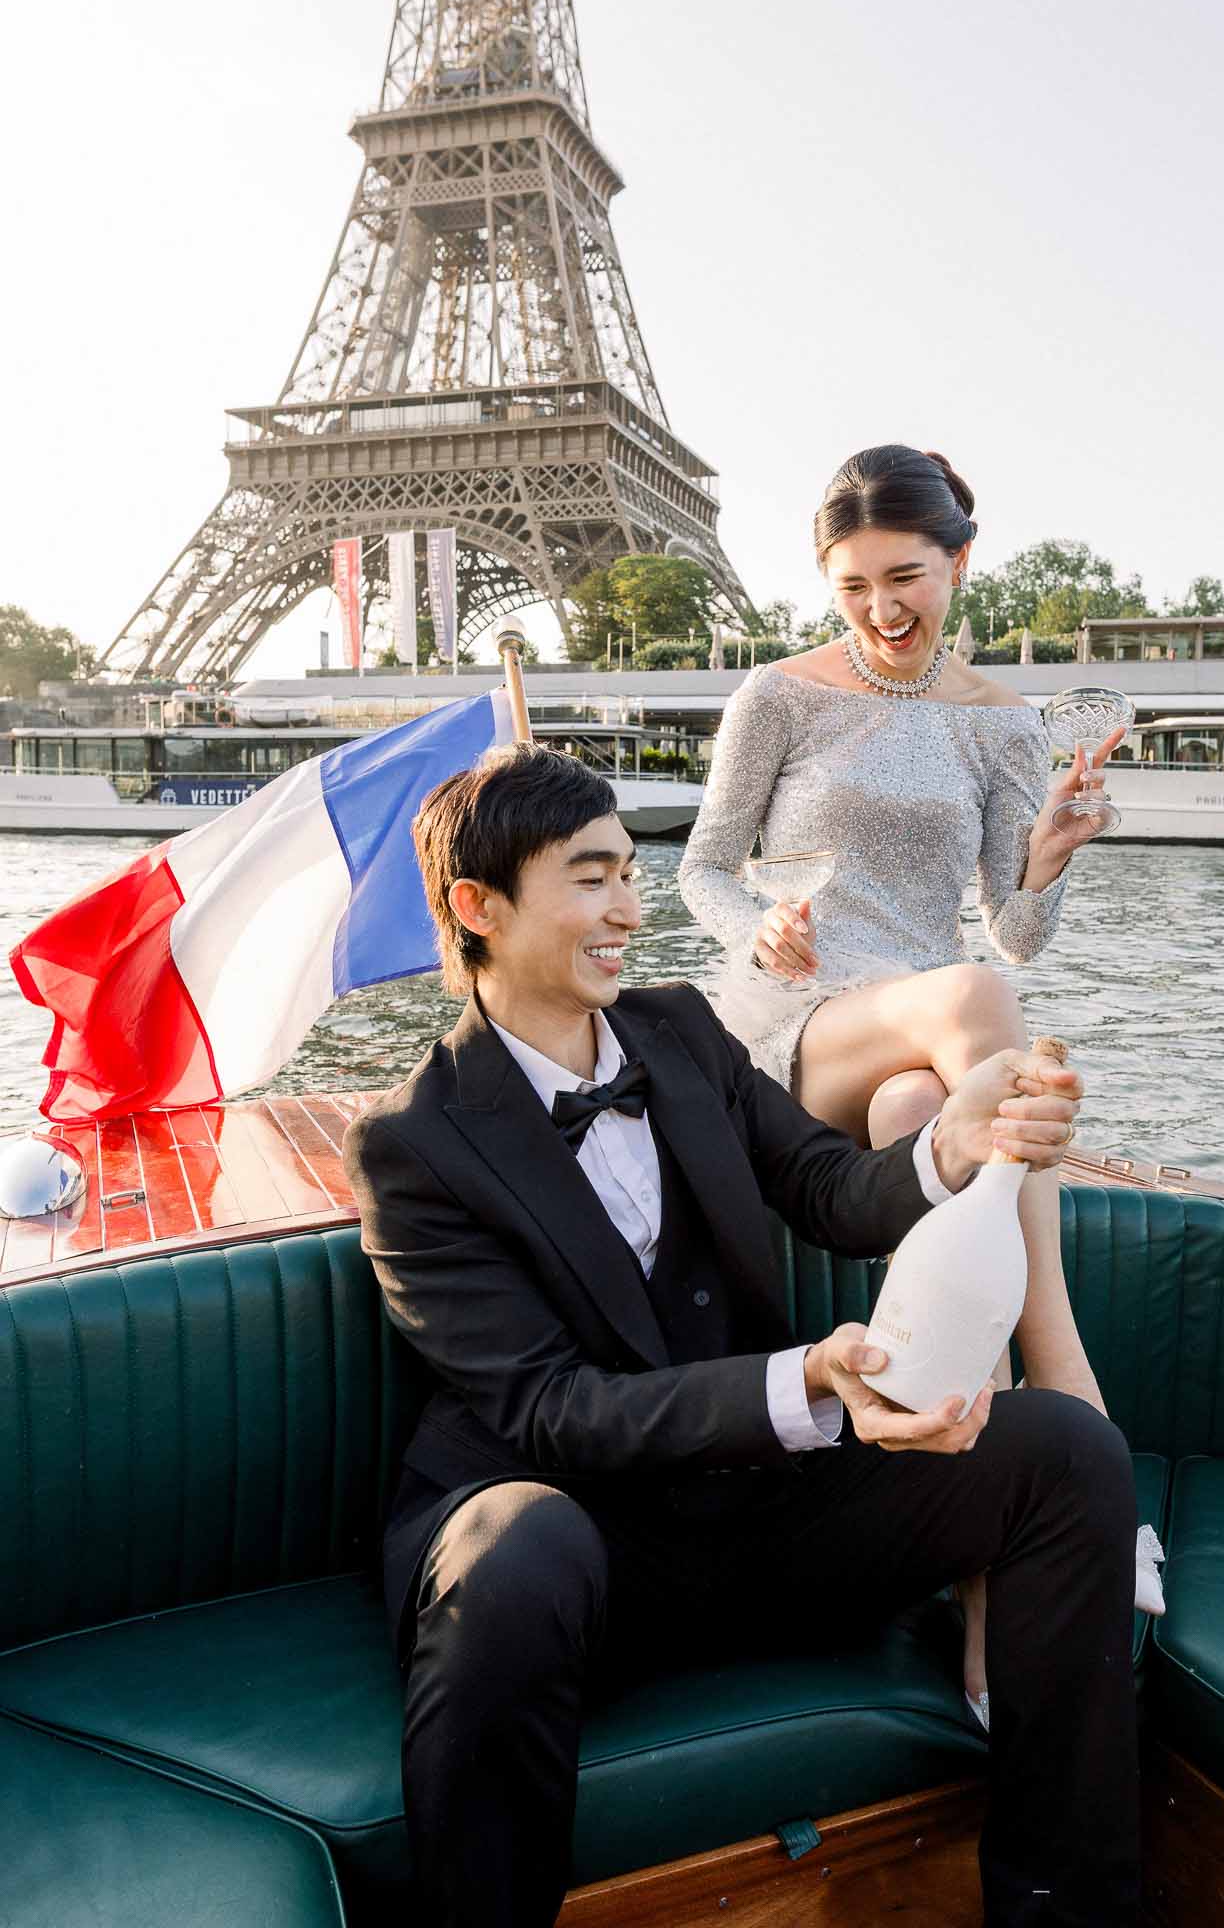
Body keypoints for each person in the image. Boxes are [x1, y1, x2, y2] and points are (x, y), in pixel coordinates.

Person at [343, 742, 1139, 1928]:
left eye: (629, 871)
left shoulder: (683, 1033)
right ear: (479, 906)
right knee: (514, 1548)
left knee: (1069, 1455)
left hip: (758, 1507)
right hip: (581, 1540)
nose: (629, 906)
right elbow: (549, 1411)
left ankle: (1058, 1905)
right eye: (591, 877)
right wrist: (811, 1379)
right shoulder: (411, 1143)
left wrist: (956, 1143)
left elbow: (824, 1186)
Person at [677, 444, 1158, 1717]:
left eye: (905, 577)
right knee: (977, 1019)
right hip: (792, 1024)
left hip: (922, 1056)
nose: (882, 609)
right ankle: (1073, 1394)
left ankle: (985, 1583)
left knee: (931, 1106)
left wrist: (1048, 853)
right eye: (853, 586)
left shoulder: (1002, 722)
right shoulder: (776, 695)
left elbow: (1015, 930)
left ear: (959, 562)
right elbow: (703, 867)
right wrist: (755, 928)